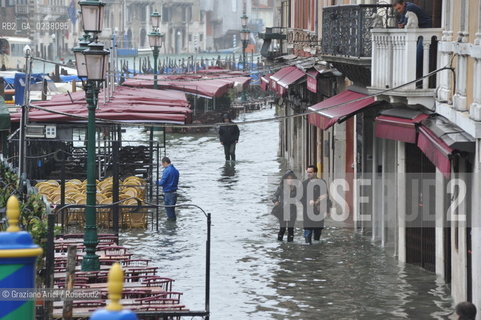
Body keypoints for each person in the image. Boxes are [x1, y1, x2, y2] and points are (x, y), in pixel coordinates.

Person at [393, 0, 433, 87]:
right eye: (397, 9)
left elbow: (407, 23)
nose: (399, 11)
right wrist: (401, 24)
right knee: (415, 58)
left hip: (425, 32)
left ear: (403, 4)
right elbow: (402, 21)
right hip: (419, 34)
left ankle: (418, 83)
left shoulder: (410, 8)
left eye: (399, 8)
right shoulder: (405, 9)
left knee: (417, 58)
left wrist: (403, 24)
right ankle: (417, 82)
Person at [301, 165, 327, 244]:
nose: (308, 174)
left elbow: (326, 195)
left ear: (315, 172)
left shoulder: (322, 182)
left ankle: (316, 249)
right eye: (307, 172)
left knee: (317, 233)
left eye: (310, 172)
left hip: (319, 211)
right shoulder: (304, 184)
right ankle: (308, 248)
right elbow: (300, 198)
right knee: (308, 233)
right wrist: (308, 202)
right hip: (307, 211)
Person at [271, 170, 298, 242]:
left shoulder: (297, 188)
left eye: (291, 178)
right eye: (288, 178)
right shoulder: (281, 187)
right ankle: (280, 243)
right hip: (282, 210)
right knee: (282, 228)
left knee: (291, 229)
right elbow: (274, 196)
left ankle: (290, 244)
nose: (290, 180)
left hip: (292, 211)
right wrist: (275, 201)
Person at [157, 157, 179, 221]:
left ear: (165, 163)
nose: (163, 166)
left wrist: (156, 182)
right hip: (174, 192)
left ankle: (170, 227)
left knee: (169, 211)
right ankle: (173, 226)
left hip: (168, 192)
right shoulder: (176, 170)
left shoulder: (166, 170)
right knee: (172, 210)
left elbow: (162, 182)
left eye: (163, 164)